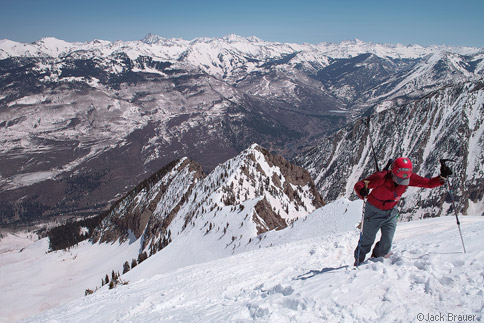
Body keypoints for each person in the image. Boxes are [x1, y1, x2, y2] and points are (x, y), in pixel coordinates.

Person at [353, 157, 452, 265]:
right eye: (399, 179)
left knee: (386, 244)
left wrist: (441, 178)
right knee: (367, 241)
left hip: (391, 212)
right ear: (393, 173)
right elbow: (360, 184)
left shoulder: (408, 178)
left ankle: (375, 261)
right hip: (373, 212)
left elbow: (427, 183)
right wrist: (362, 191)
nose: (402, 183)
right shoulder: (381, 177)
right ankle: (358, 262)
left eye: (404, 180)